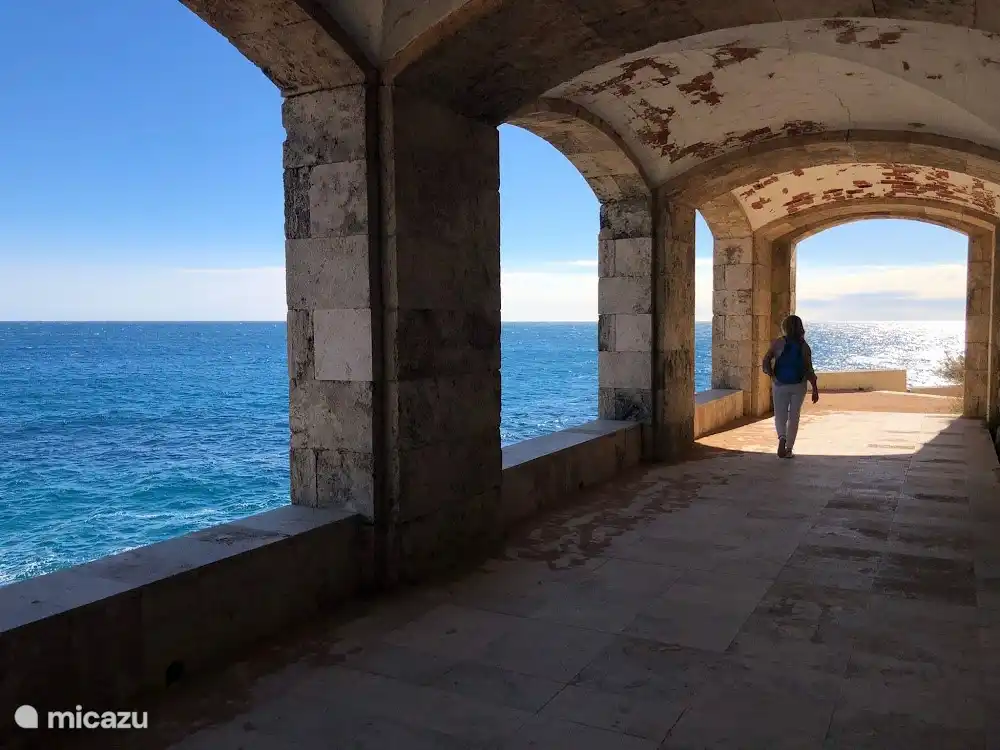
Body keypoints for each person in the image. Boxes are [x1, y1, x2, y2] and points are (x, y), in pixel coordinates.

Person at [761, 315, 819, 458]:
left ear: (785, 327)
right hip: (799, 385)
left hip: (780, 383)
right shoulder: (804, 346)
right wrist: (815, 389)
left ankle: (782, 438)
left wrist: (771, 375)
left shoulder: (778, 343)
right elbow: (809, 369)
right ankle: (789, 449)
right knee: (794, 416)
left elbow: (766, 360)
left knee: (780, 415)